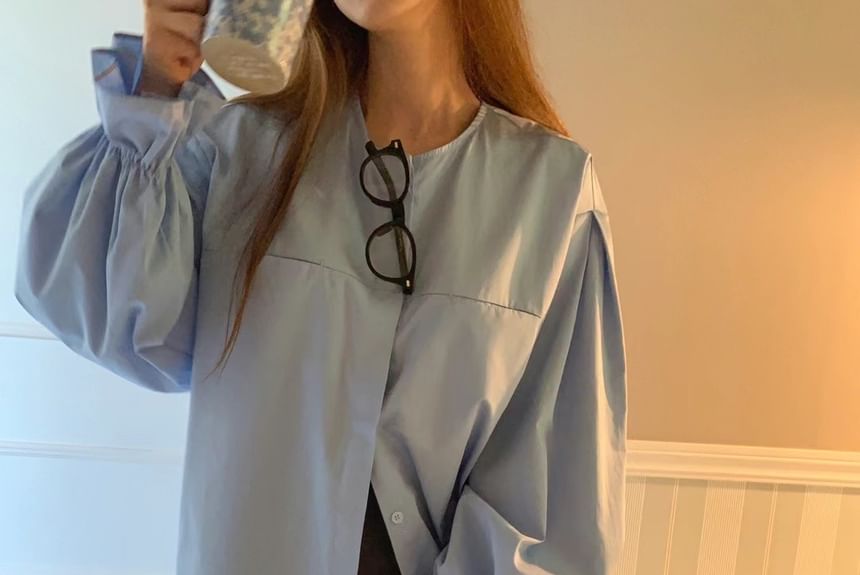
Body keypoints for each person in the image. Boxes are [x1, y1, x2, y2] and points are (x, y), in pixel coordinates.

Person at [14, 0, 629, 573]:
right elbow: (113, 311)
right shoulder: (244, 150)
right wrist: (154, 91)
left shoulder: (550, 190)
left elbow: (555, 499)